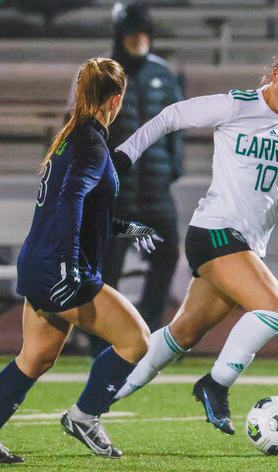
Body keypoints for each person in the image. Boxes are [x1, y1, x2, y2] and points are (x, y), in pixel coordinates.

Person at [108, 37, 278, 435]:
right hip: (215, 230)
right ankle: (214, 384)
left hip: (245, 244)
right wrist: (125, 155)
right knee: (274, 309)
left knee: (183, 333)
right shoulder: (236, 105)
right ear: (277, 75)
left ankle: (100, 399)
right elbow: (171, 115)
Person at [0, 58, 163, 463]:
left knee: (35, 357)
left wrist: (126, 228)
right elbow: (70, 200)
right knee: (136, 340)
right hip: (59, 266)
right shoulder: (90, 143)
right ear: (116, 100)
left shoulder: (73, 137)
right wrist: (70, 265)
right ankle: (84, 417)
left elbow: (82, 209)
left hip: (38, 262)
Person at [88, 2, 185, 356]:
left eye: (143, 33)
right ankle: (102, 337)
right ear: (119, 36)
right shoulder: (101, 75)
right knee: (107, 264)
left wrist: (174, 167)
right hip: (116, 194)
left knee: (168, 253)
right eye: (131, 33)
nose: (138, 39)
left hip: (156, 193)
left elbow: (177, 127)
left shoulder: (165, 73)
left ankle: (147, 327)